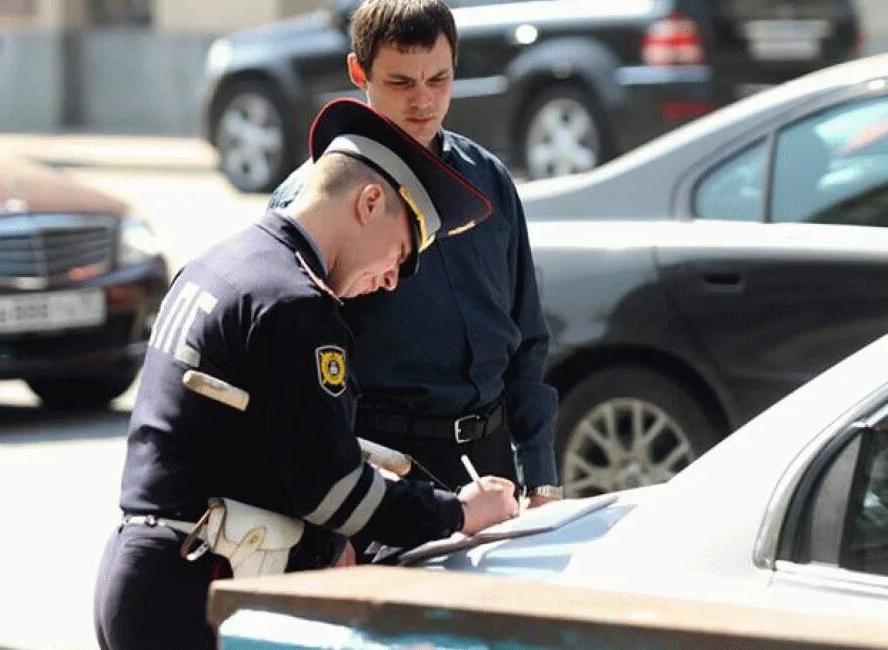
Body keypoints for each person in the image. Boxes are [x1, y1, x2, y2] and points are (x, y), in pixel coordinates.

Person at [93, 98, 519, 649]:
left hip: (152, 573)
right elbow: (331, 491)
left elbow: (247, 444)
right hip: (196, 591)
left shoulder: (225, 264)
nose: (391, 280)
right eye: (400, 254)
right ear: (369, 202)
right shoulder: (296, 305)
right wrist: (459, 511)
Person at [270, 0, 562, 512]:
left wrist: (540, 476)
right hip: (387, 469)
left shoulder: (489, 179)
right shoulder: (313, 201)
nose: (423, 102)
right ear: (359, 72)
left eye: (439, 80)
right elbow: (299, 386)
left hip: (493, 461)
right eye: (402, 82)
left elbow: (527, 340)